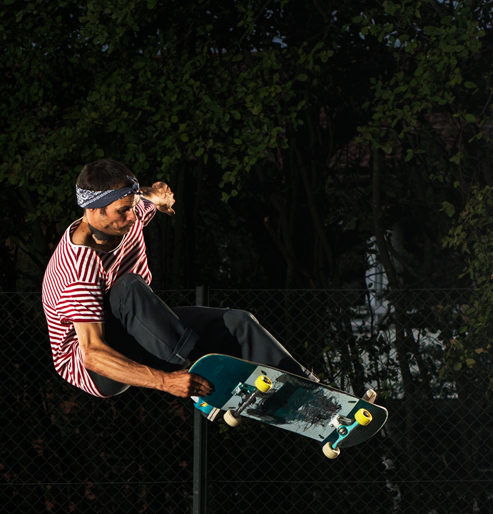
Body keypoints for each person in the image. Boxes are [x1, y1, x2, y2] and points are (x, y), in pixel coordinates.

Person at [40, 159, 303, 421]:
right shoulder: (77, 268)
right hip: (98, 369)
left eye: (133, 206)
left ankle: (303, 389)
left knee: (237, 322)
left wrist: (161, 196)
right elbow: (93, 355)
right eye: (123, 211)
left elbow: (153, 195)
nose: (133, 216)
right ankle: (199, 372)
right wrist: (166, 381)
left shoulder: (132, 211)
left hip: (142, 330)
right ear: (93, 209)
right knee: (127, 288)